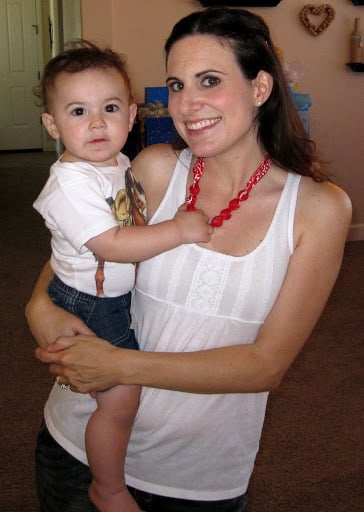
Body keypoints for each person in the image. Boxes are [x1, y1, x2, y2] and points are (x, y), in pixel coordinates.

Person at [27, 7, 352, 512]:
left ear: (260, 88)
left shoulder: (319, 209)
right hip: (77, 445)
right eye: (177, 84)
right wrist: (37, 307)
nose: (187, 103)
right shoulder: (155, 170)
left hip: (196, 477)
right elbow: (79, 245)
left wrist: (118, 364)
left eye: (209, 80)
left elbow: (265, 367)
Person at [31, 41, 212, 512]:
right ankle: (107, 487)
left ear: (131, 115)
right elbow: (110, 243)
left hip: (107, 290)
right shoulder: (69, 184)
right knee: (120, 395)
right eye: (77, 111)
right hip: (92, 301)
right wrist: (178, 230)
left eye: (109, 108)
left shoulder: (114, 164)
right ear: (52, 124)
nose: (96, 123)